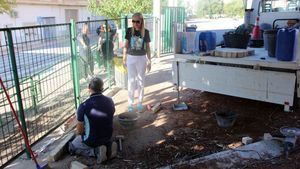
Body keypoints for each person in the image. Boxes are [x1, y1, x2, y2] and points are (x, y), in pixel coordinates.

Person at [68, 77, 117, 163]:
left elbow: (79, 131)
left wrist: (76, 133)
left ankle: (96, 152)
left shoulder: (83, 106)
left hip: (92, 140)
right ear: (102, 88)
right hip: (108, 135)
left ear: (89, 88)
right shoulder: (110, 101)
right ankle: (108, 146)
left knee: (72, 146)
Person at [123, 13, 151, 113]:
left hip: (142, 58)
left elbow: (148, 47)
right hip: (131, 58)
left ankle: (140, 102)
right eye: (133, 21)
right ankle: (130, 103)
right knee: (131, 81)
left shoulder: (146, 32)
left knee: (141, 81)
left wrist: (149, 61)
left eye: (137, 21)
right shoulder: (129, 31)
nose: (135, 23)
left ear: (142, 21)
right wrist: (124, 58)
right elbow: (126, 46)